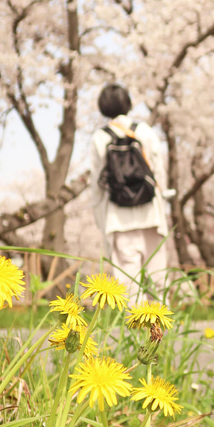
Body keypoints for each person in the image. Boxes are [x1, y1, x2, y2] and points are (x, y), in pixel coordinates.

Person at [90, 84, 169, 295]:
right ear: (128, 103)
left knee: (129, 283)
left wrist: (100, 216)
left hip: (119, 217)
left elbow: (97, 183)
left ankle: (135, 325)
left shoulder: (100, 137)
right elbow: (159, 171)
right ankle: (161, 325)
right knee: (158, 278)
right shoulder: (144, 131)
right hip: (150, 213)